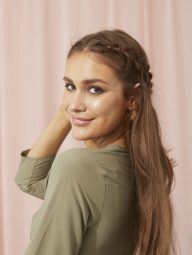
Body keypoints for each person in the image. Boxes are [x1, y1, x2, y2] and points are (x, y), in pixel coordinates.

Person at [15, 29, 178, 255]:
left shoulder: (79, 168)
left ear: (132, 99)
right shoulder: (138, 166)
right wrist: (71, 110)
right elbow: (29, 179)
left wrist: (75, 104)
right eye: (70, 86)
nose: (75, 103)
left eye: (95, 89)